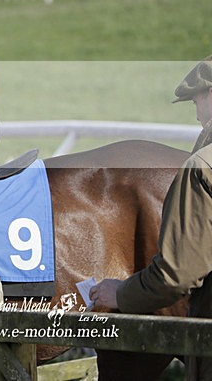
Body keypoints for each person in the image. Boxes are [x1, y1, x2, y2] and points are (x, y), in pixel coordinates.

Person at [90, 56, 212, 380]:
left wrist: (121, 293)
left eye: (197, 98)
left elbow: (177, 275)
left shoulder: (201, 167)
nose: (197, 111)